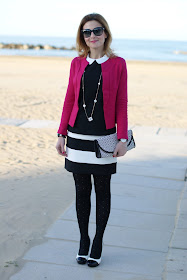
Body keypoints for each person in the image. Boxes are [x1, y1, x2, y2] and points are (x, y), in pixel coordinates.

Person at [56, 13, 128, 267]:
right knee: (81, 192)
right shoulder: (77, 64)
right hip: (76, 137)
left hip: (105, 137)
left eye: (97, 31)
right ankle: (83, 240)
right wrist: (61, 134)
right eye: (87, 32)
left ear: (106, 34)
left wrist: (122, 138)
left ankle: (98, 241)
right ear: (82, 37)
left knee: (103, 191)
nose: (92, 36)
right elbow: (68, 99)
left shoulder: (118, 64)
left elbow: (121, 102)